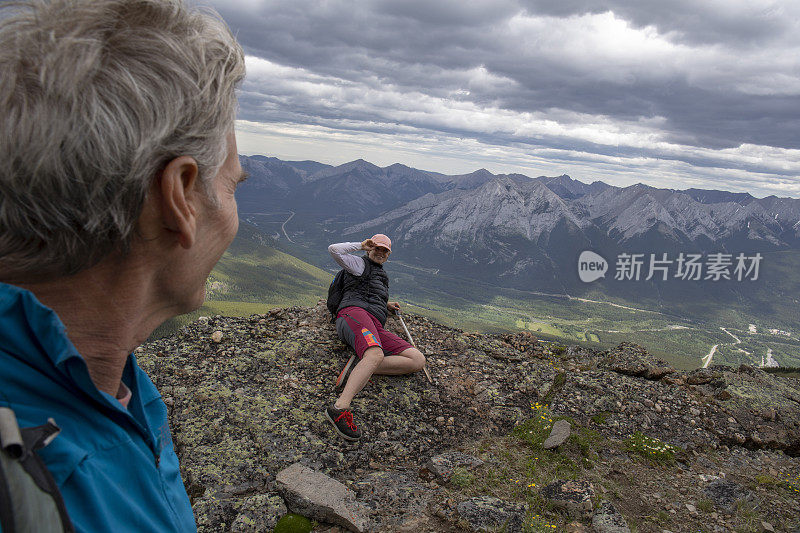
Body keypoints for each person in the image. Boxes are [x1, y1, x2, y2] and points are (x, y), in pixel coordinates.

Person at [0, 0, 246, 530]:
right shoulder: (35, 494)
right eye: (230, 185)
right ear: (179, 196)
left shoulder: (116, 389)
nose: (232, 213)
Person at [326, 235, 426, 441]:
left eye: (385, 250)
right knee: (374, 353)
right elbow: (334, 249)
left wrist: (385, 304)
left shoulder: (380, 273)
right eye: (376, 248)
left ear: (389, 254)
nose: (380, 252)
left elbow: (367, 291)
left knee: (417, 360)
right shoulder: (358, 263)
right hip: (353, 313)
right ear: (369, 249)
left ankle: (360, 369)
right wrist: (360, 245)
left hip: (374, 321)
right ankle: (339, 408)